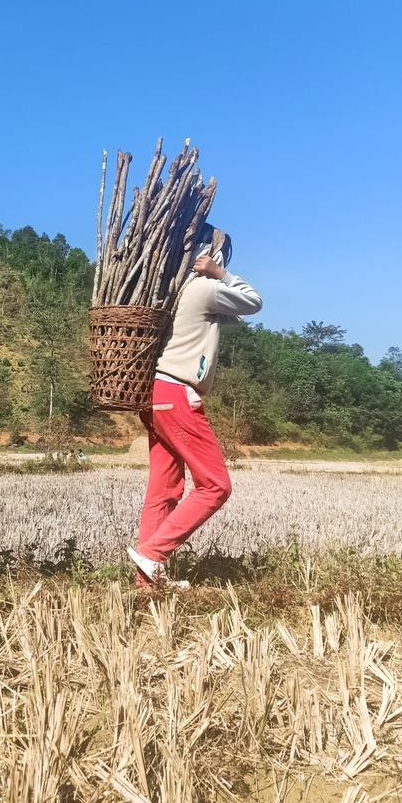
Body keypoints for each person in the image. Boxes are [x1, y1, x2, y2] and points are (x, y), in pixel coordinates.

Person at [127, 226, 262, 589]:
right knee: (216, 485)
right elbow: (252, 301)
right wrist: (221, 275)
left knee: (164, 488)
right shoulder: (203, 288)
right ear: (208, 255)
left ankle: (146, 581)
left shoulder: (173, 289)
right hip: (177, 393)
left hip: (154, 394)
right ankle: (154, 554)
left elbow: (229, 315)